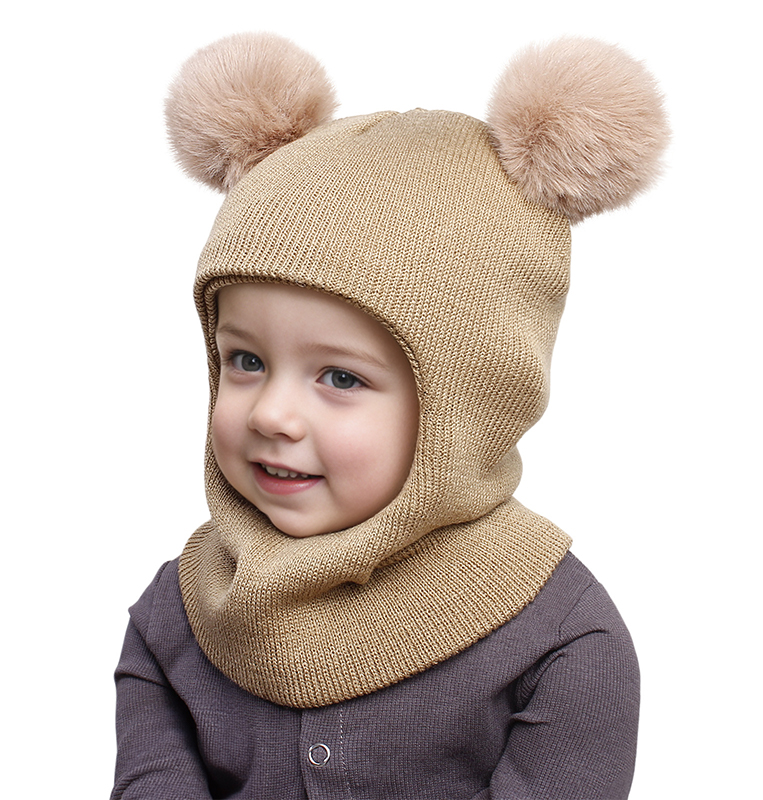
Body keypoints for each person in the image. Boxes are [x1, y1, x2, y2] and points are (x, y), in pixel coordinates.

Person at [112, 32, 669, 800]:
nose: (271, 413)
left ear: (469, 403)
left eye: (340, 377)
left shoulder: (564, 642)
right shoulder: (178, 618)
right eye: (244, 360)